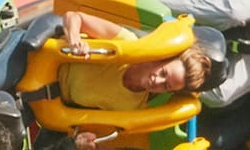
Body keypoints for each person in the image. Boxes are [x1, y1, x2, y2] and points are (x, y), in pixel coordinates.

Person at [54, 11, 215, 108]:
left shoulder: (134, 106)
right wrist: (74, 40)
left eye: (166, 86)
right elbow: (74, 17)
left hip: (49, 97)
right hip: (42, 57)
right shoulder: (127, 42)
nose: (157, 81)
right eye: (164, 73)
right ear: (162, 58)